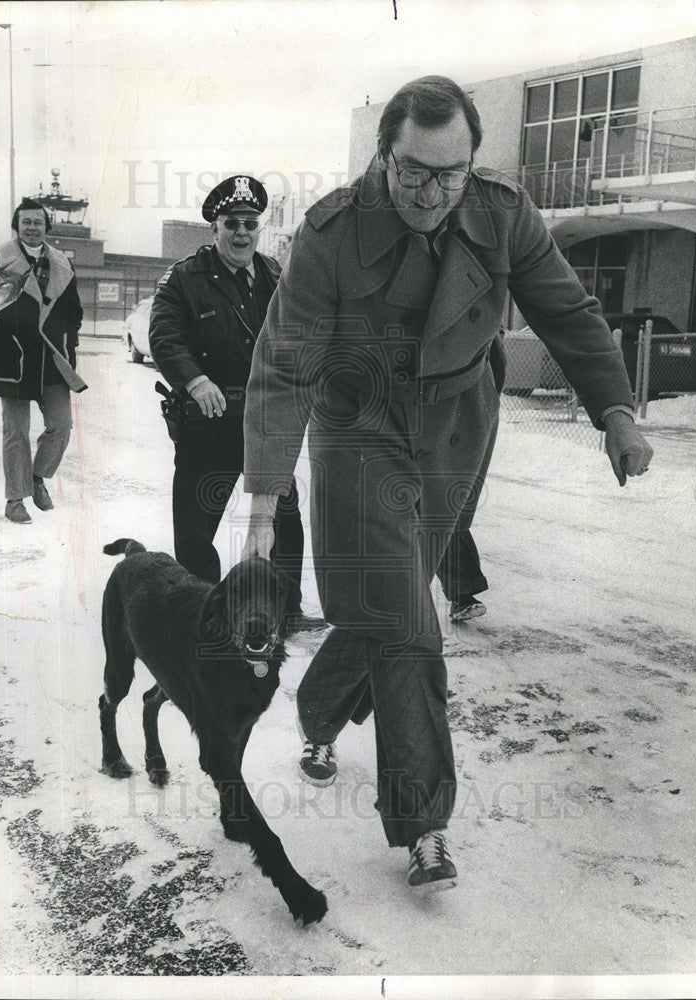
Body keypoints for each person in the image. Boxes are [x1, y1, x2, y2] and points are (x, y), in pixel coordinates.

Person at [242, 76, 652, 891]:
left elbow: (566, 314)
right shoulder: (330, 233)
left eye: (451, 173)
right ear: (383, 155)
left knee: (388, 605)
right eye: (414, 173)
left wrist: (614, 409)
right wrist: (263, 495)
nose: (432, 193)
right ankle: (424, 823)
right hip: (361, 427)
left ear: (473, 161)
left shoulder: (501, 210)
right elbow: (285, 364)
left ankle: (319, 713)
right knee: (407, 618)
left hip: (457, 424)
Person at [149, 175, 320, 633]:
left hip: (264, 420)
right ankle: (204, 610)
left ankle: (286, 610)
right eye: (232, 223)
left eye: (250, 223)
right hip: (210, 419)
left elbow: (296, 333)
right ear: (214, 228)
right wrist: (195, 381)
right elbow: (164, 337)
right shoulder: (184, 278)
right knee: (195, 527)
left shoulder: (273, 276)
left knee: (284, 517)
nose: (242, 232)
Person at [0, 198, 84, 524]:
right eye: (26, 222)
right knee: (16, 432)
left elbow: (74, 314)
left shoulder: (64, 265)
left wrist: (69, 348)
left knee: (61, 426)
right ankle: (15, 499)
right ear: (17, 226)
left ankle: (37, 478)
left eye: (38, 222)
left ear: (46, 227)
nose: (32, 228)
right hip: (13, 359)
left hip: (52, 360)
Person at [436, 331, 506, 622]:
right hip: (459, 411)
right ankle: (459, 593)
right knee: (441, 507)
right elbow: (499, 366)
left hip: (453, 413)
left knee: (442, 508)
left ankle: (461, 593)